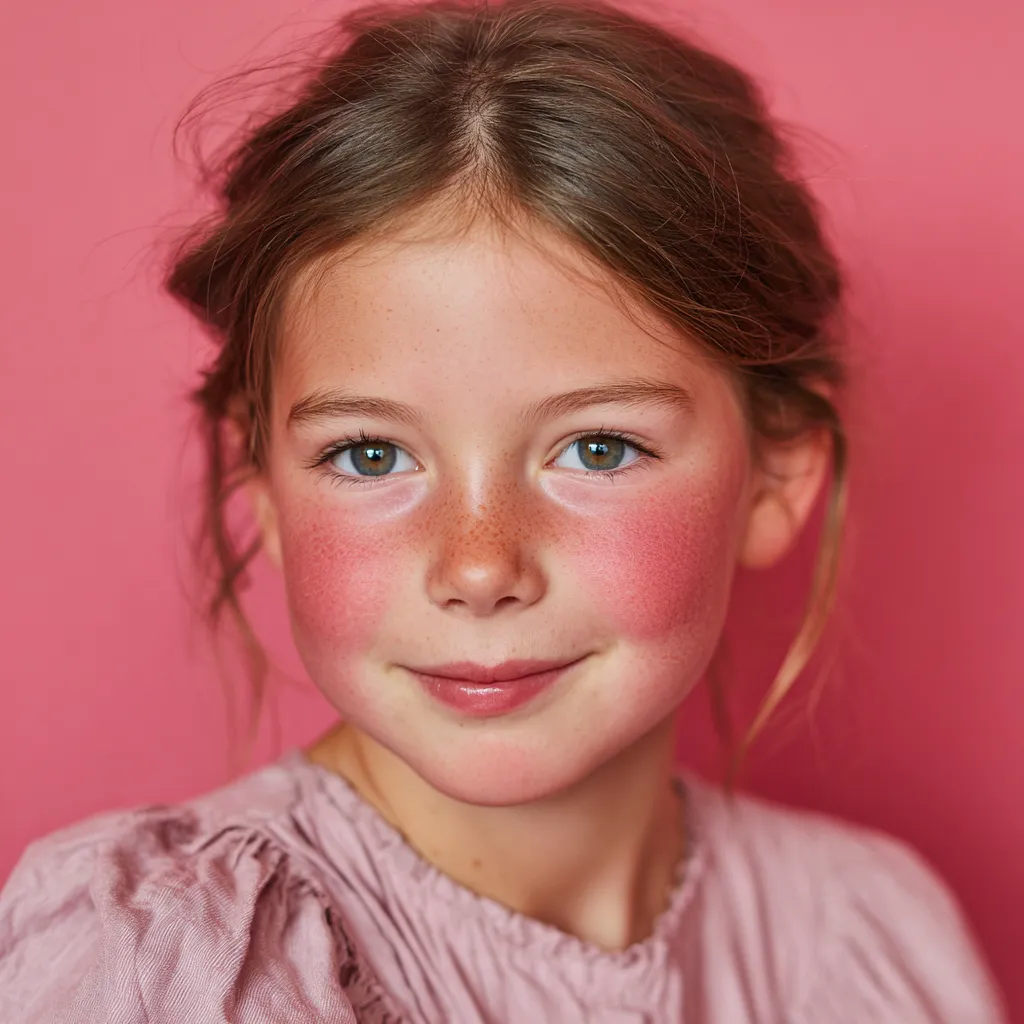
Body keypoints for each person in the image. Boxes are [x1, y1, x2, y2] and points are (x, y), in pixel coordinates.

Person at [0, 0, 1008, 1020]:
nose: (478, 568)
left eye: (597, 447)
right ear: (258, 478)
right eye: (370, 453)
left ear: (777, 472)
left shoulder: (867, 936)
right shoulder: (165, 963)